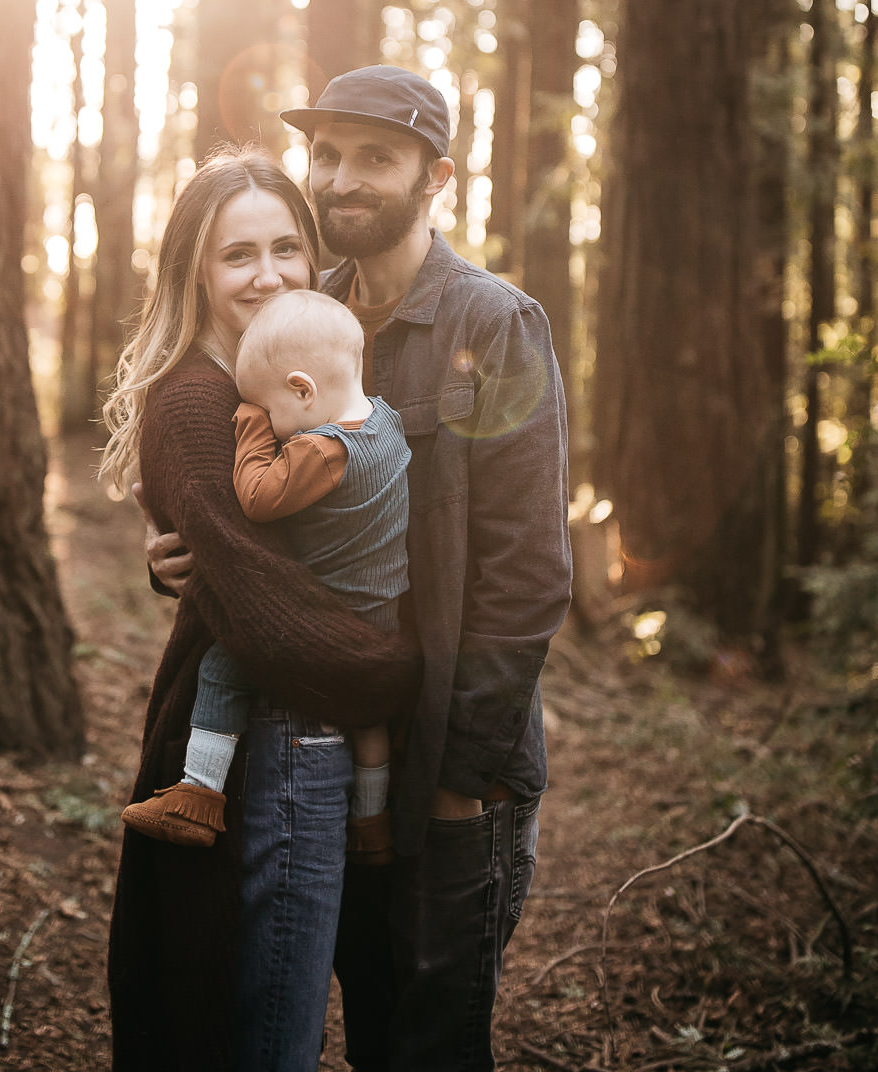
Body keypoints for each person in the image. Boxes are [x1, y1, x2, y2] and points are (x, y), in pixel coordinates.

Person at [145, 66, 572, 1072]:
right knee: (343, 1011)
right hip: (329, 750)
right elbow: (246, 487)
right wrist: (188, 554)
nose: (342, 178)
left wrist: (461, 778)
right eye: (327, 154)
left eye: (376, 157)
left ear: (438, 178)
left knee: (425, 1044)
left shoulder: (493, 325)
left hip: (451, 774)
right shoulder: (301, 308)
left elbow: (528, 576)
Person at [101, 148, 420, 1072]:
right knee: (253, 1029)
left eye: (288, 246)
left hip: (290, 732)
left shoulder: (303, 368)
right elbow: (257, 602)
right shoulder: (204, 401)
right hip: (266, 744)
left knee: (270, 1014)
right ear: (195, 272)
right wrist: (399, 670)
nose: (270, 272)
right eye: (238, 254)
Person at [120, 288, 410, 861]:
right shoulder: (387, 422)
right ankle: (373, 823)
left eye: (271, 407)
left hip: (335, 608)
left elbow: (255, 498)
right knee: (371, 719)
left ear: (303, 389)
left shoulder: (322, 452)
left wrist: (249, 422)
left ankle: (198, 795)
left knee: (223, 666)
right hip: (383, 607)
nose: (271, 424)